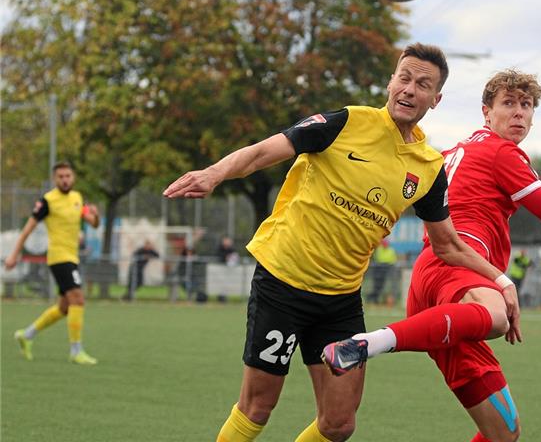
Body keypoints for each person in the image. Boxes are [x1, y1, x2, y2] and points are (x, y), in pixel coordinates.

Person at [163, 43, 520, 442]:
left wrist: (502, 282)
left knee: (338, 424)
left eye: (422, 84)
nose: (409, 89)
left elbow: (448, 245)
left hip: (340, 300)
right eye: (404, 77)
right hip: (283, 282)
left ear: (434, 100)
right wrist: (214, 173)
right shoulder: (346, 123)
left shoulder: (429, 167)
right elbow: (266, 150)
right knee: (258, 407)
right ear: (390, 82)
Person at [323, 69, 541, 442]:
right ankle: (368, 343)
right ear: (486, 112)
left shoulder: (454, 150)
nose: (519, 113)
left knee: (503, 432)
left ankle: (373, 342)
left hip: (434, 286)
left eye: (526, 105)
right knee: (497, 316)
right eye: (509, 103)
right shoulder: (501, 152)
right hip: (457, 267)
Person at [4, 161, 101, 365]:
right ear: (54, 179)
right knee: (78, 300)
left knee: (65, 307)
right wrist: (14, 254)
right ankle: (76, 350)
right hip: (59, 257)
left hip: (72, 257)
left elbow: (93, 222)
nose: (65, 180)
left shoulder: (77, 198)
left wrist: (96, 215)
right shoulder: (47, 201)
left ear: (73, 177)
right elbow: (27, 230)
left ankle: (26, 335)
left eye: (68, 176)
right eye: (61, 177)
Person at [366, 239, 398, 304]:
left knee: (381, 286)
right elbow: (377, 258)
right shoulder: (379, 250)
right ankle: (373, 298)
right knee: (377, 286)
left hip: (386, 270)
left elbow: (393, 259)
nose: (385, 245)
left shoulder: (391, 250)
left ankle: (374, 298)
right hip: (378, 270)